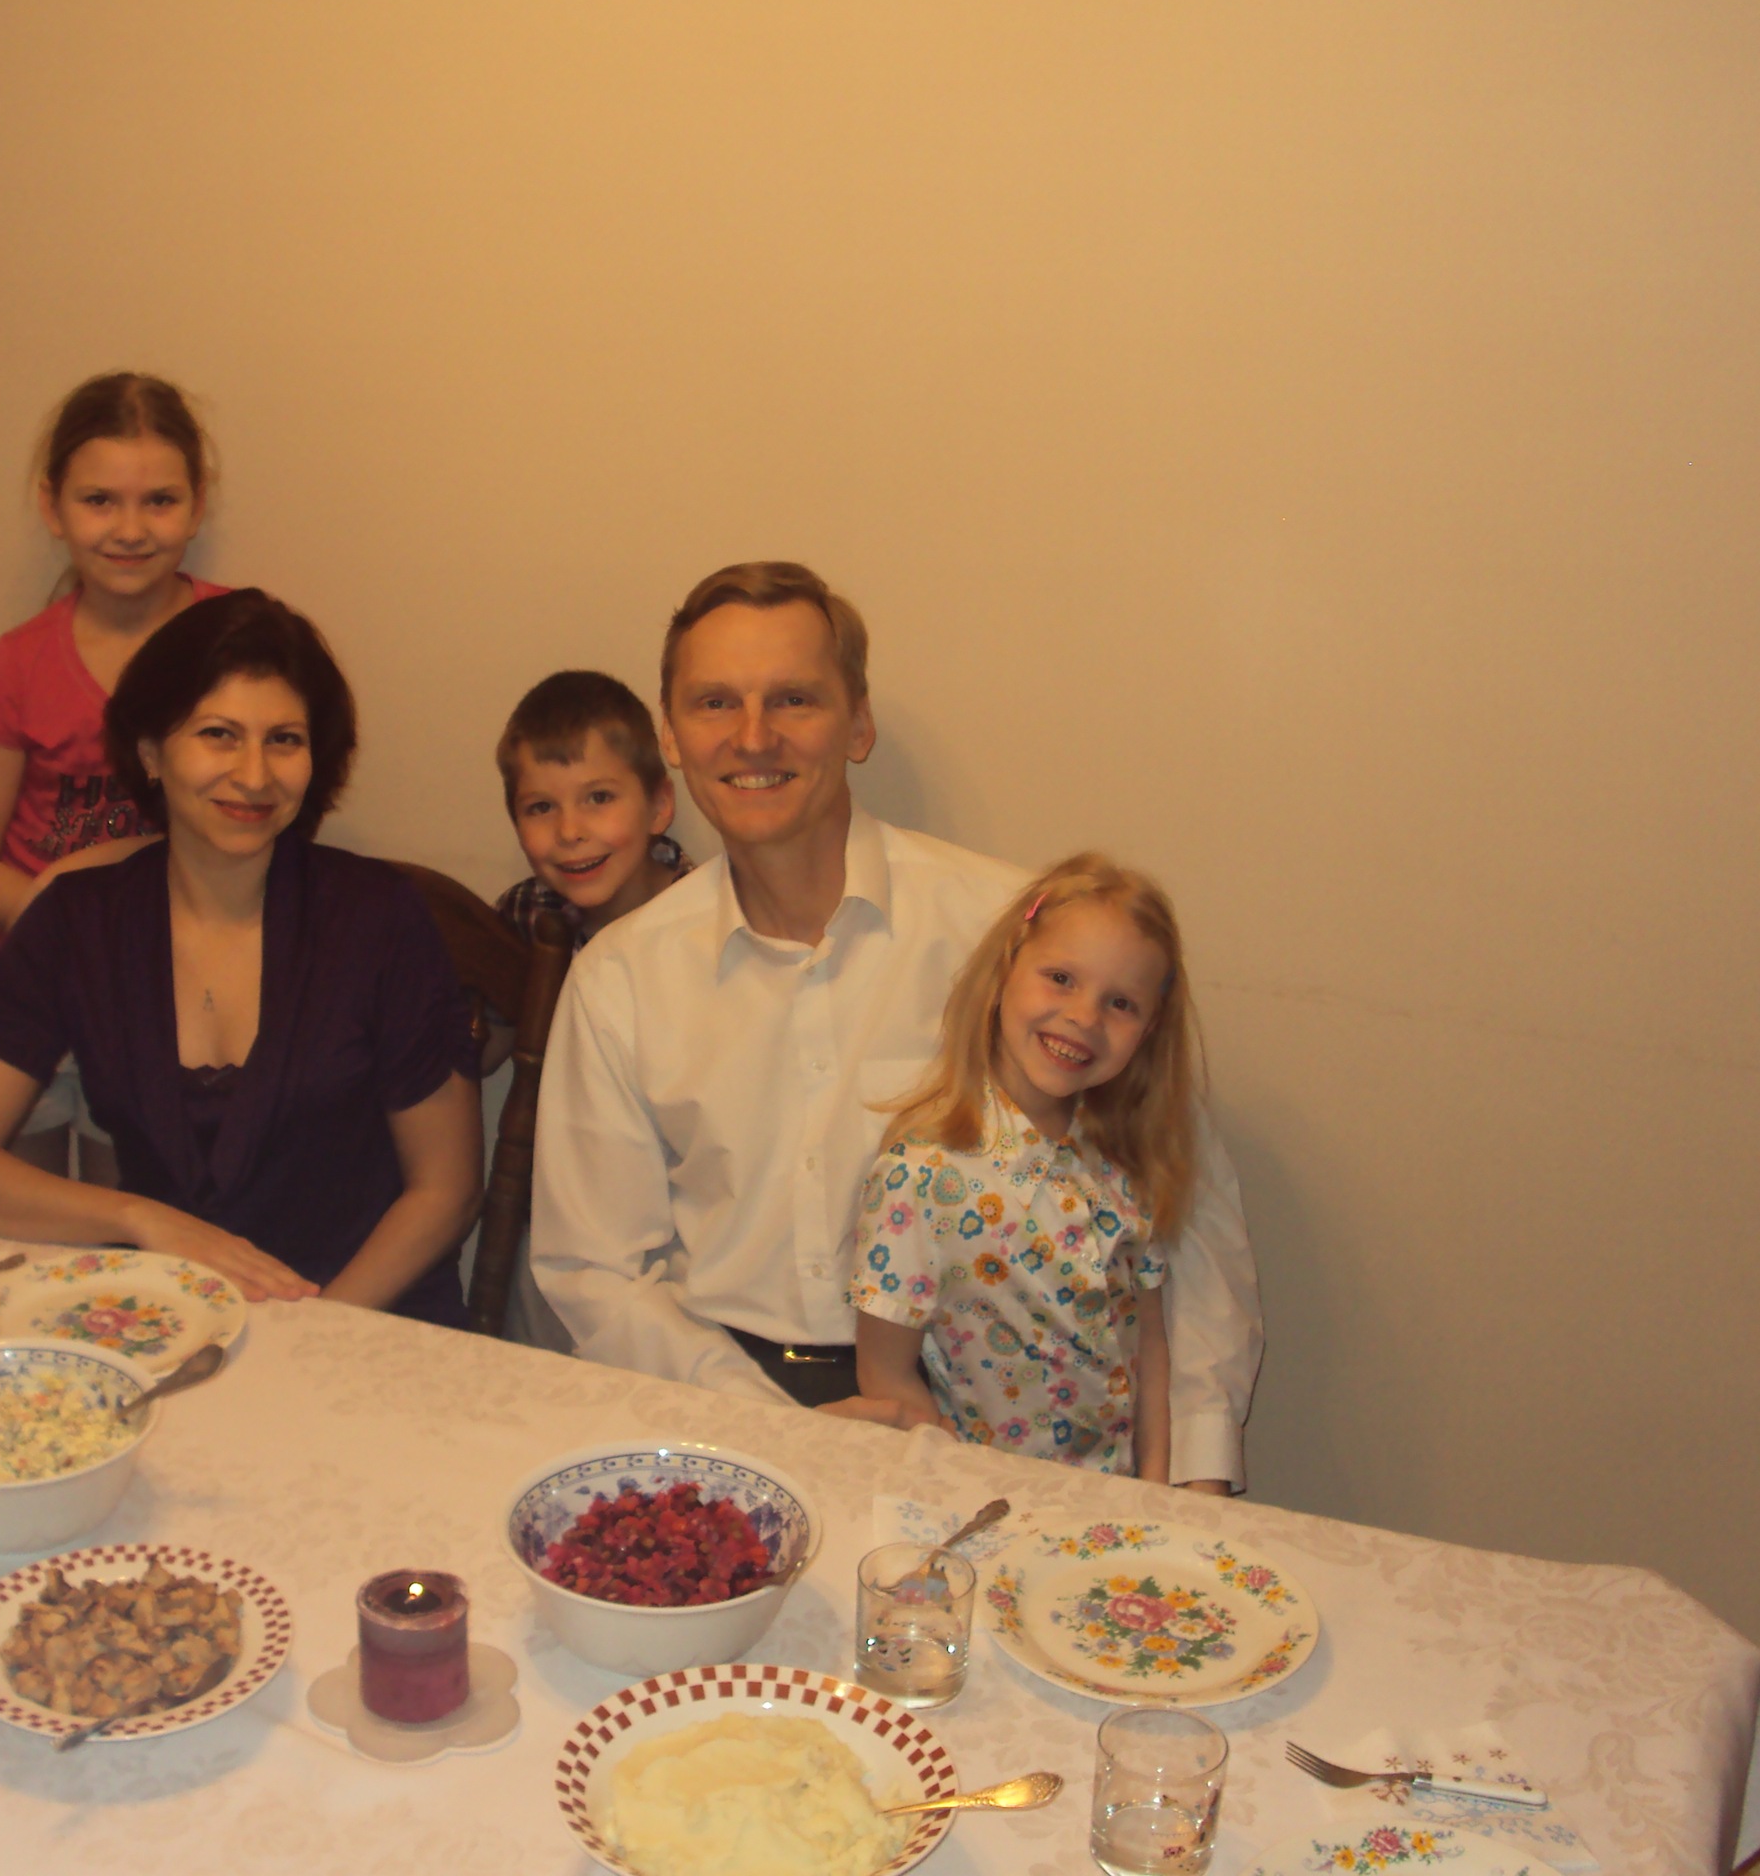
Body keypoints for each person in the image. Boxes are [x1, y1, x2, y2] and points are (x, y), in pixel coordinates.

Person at [530, 562, 1263, 1489]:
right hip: (717, 1406)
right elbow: (594, 1270)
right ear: (671, 736)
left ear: (858, 724)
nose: (753, 736)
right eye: (715, 703)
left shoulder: (1017, 940)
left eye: (794, 699)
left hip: (985, 1429)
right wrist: (764, 1421)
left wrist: (1196, 1469)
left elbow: (1182, 1202)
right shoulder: (621, 979)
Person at [0, 590, 484, 1325]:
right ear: (150, 751)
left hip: (367, 1319)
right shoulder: (79, 921)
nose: (255, 775)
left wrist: (320, 1329)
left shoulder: (379, 918)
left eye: (284, 740)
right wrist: (138, 1218)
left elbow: (446, 1191)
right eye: (218, 734)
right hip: (174, 1319)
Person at [0, 373, 228, 1177]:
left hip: (159, 1000)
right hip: (7, 988)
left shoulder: (238, 641)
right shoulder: (18, 665)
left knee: (125, 1227)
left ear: (198, 505)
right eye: (99, 501)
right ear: (51, 506)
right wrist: (93, 926)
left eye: (159, 501)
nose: (129, 529)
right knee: (4, 1228)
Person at [850, 855, 1200, 1472]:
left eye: (1121, 1003)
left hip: (1114, 1506)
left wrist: (1153, 1491)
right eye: (1061, 978)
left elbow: (1148, 1346)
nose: (1084, 1017)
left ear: (1147, 1032)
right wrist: (953, 1490)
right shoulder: (920, 1173)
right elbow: (886, 1378)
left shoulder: (1125, 1163)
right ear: (1006, 968)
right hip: (986, 1505)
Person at [492, 670, 694, 950]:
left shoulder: (709, 923)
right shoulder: (517, 916)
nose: (569, 832)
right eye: (541, 807)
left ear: (659, 806)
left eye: (599, 798)